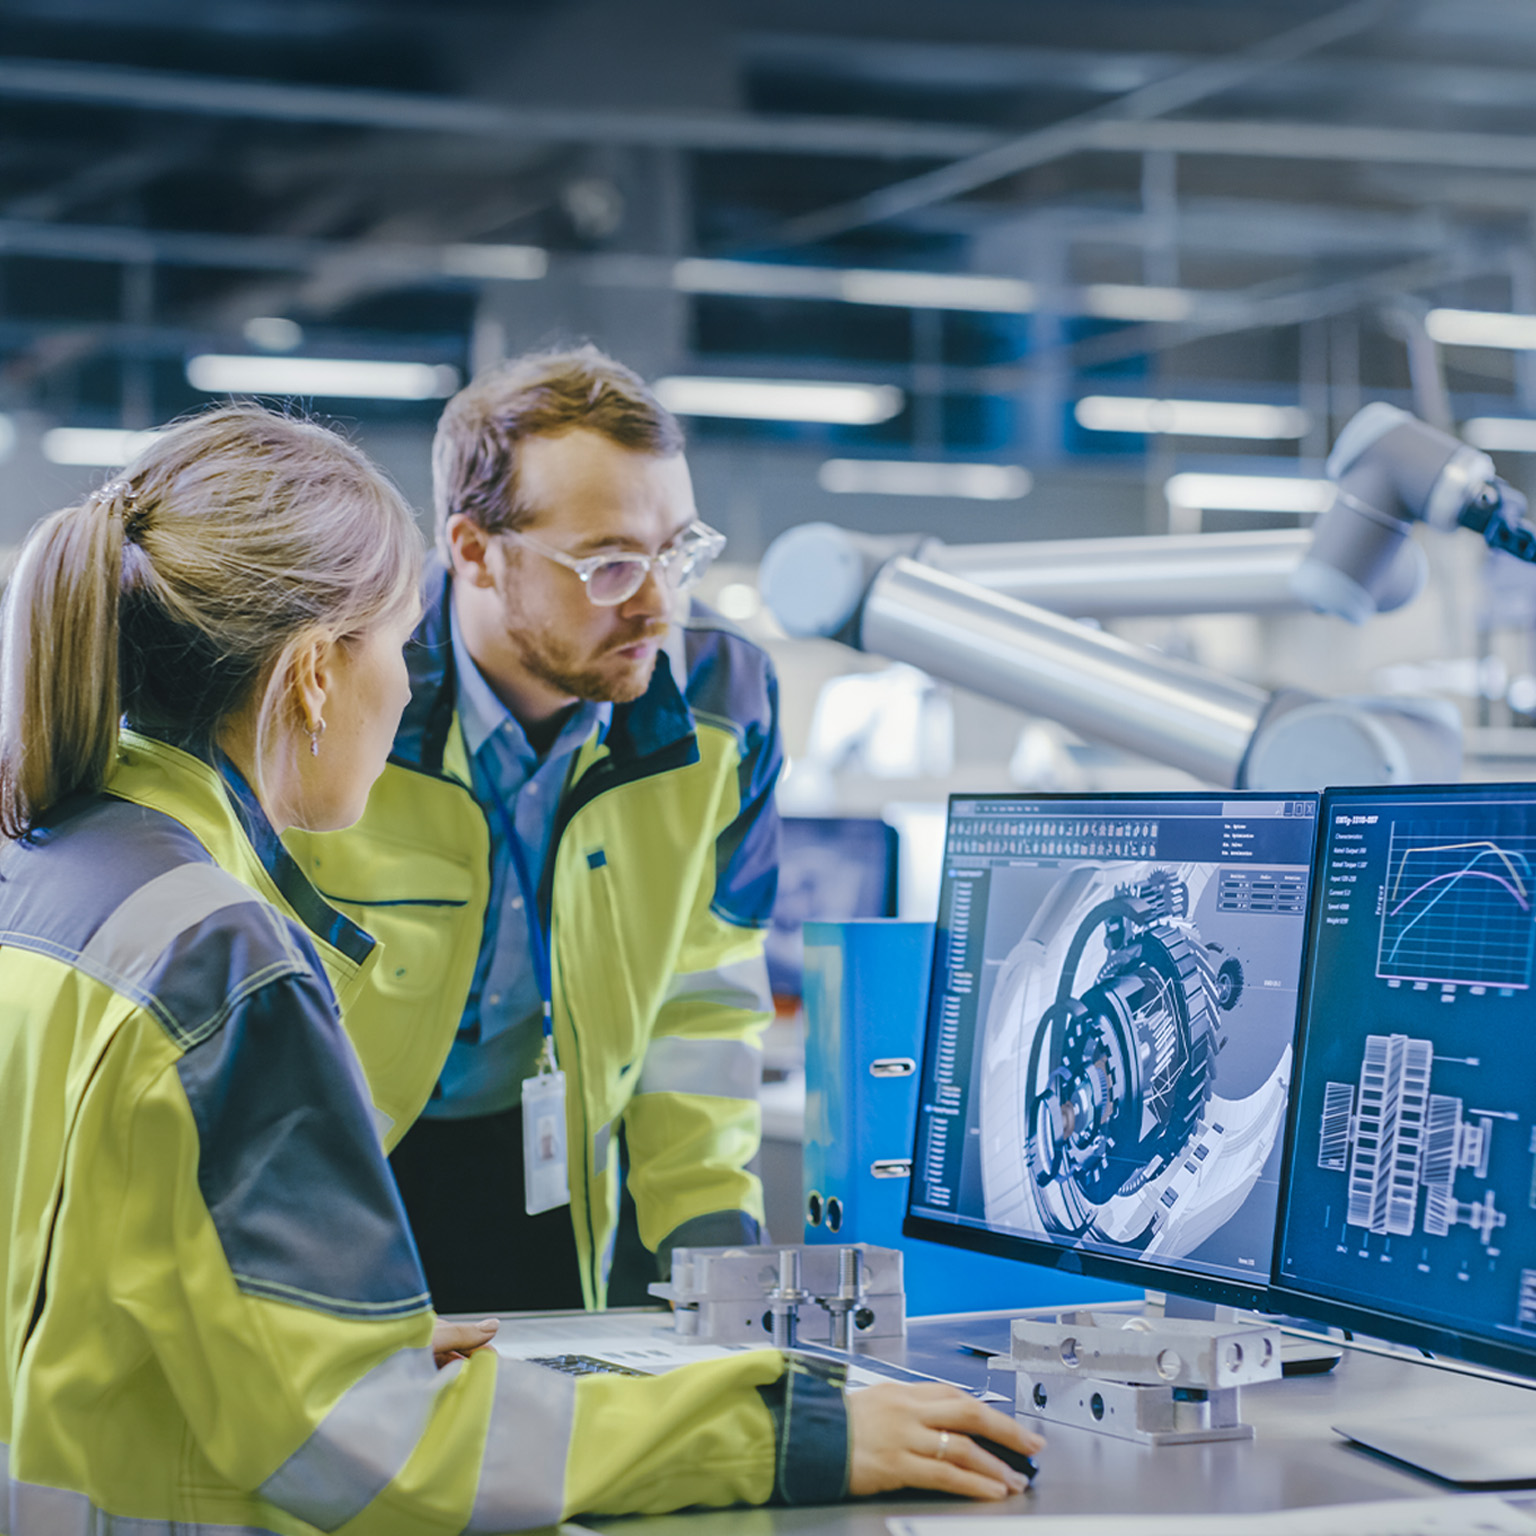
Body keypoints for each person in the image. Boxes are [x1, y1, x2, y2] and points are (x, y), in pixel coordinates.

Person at [0, 405, 1043, 1531]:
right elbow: (386, 1458)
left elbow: (100, 1281)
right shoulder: (224, 957)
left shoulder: (56, 871)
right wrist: (789, 1429)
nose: (406, 690)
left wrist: (320, 1341)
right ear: (310, 677)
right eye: (399, 645)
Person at [287, 347, 783, 1312]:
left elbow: (704, 1001)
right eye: (607, 564)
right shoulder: (344, 690)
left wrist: (720, 1269)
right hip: (345, 1181)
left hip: (556, 1176)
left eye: (676, 552)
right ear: (472, 550)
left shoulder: (726, 700)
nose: (658, 603)